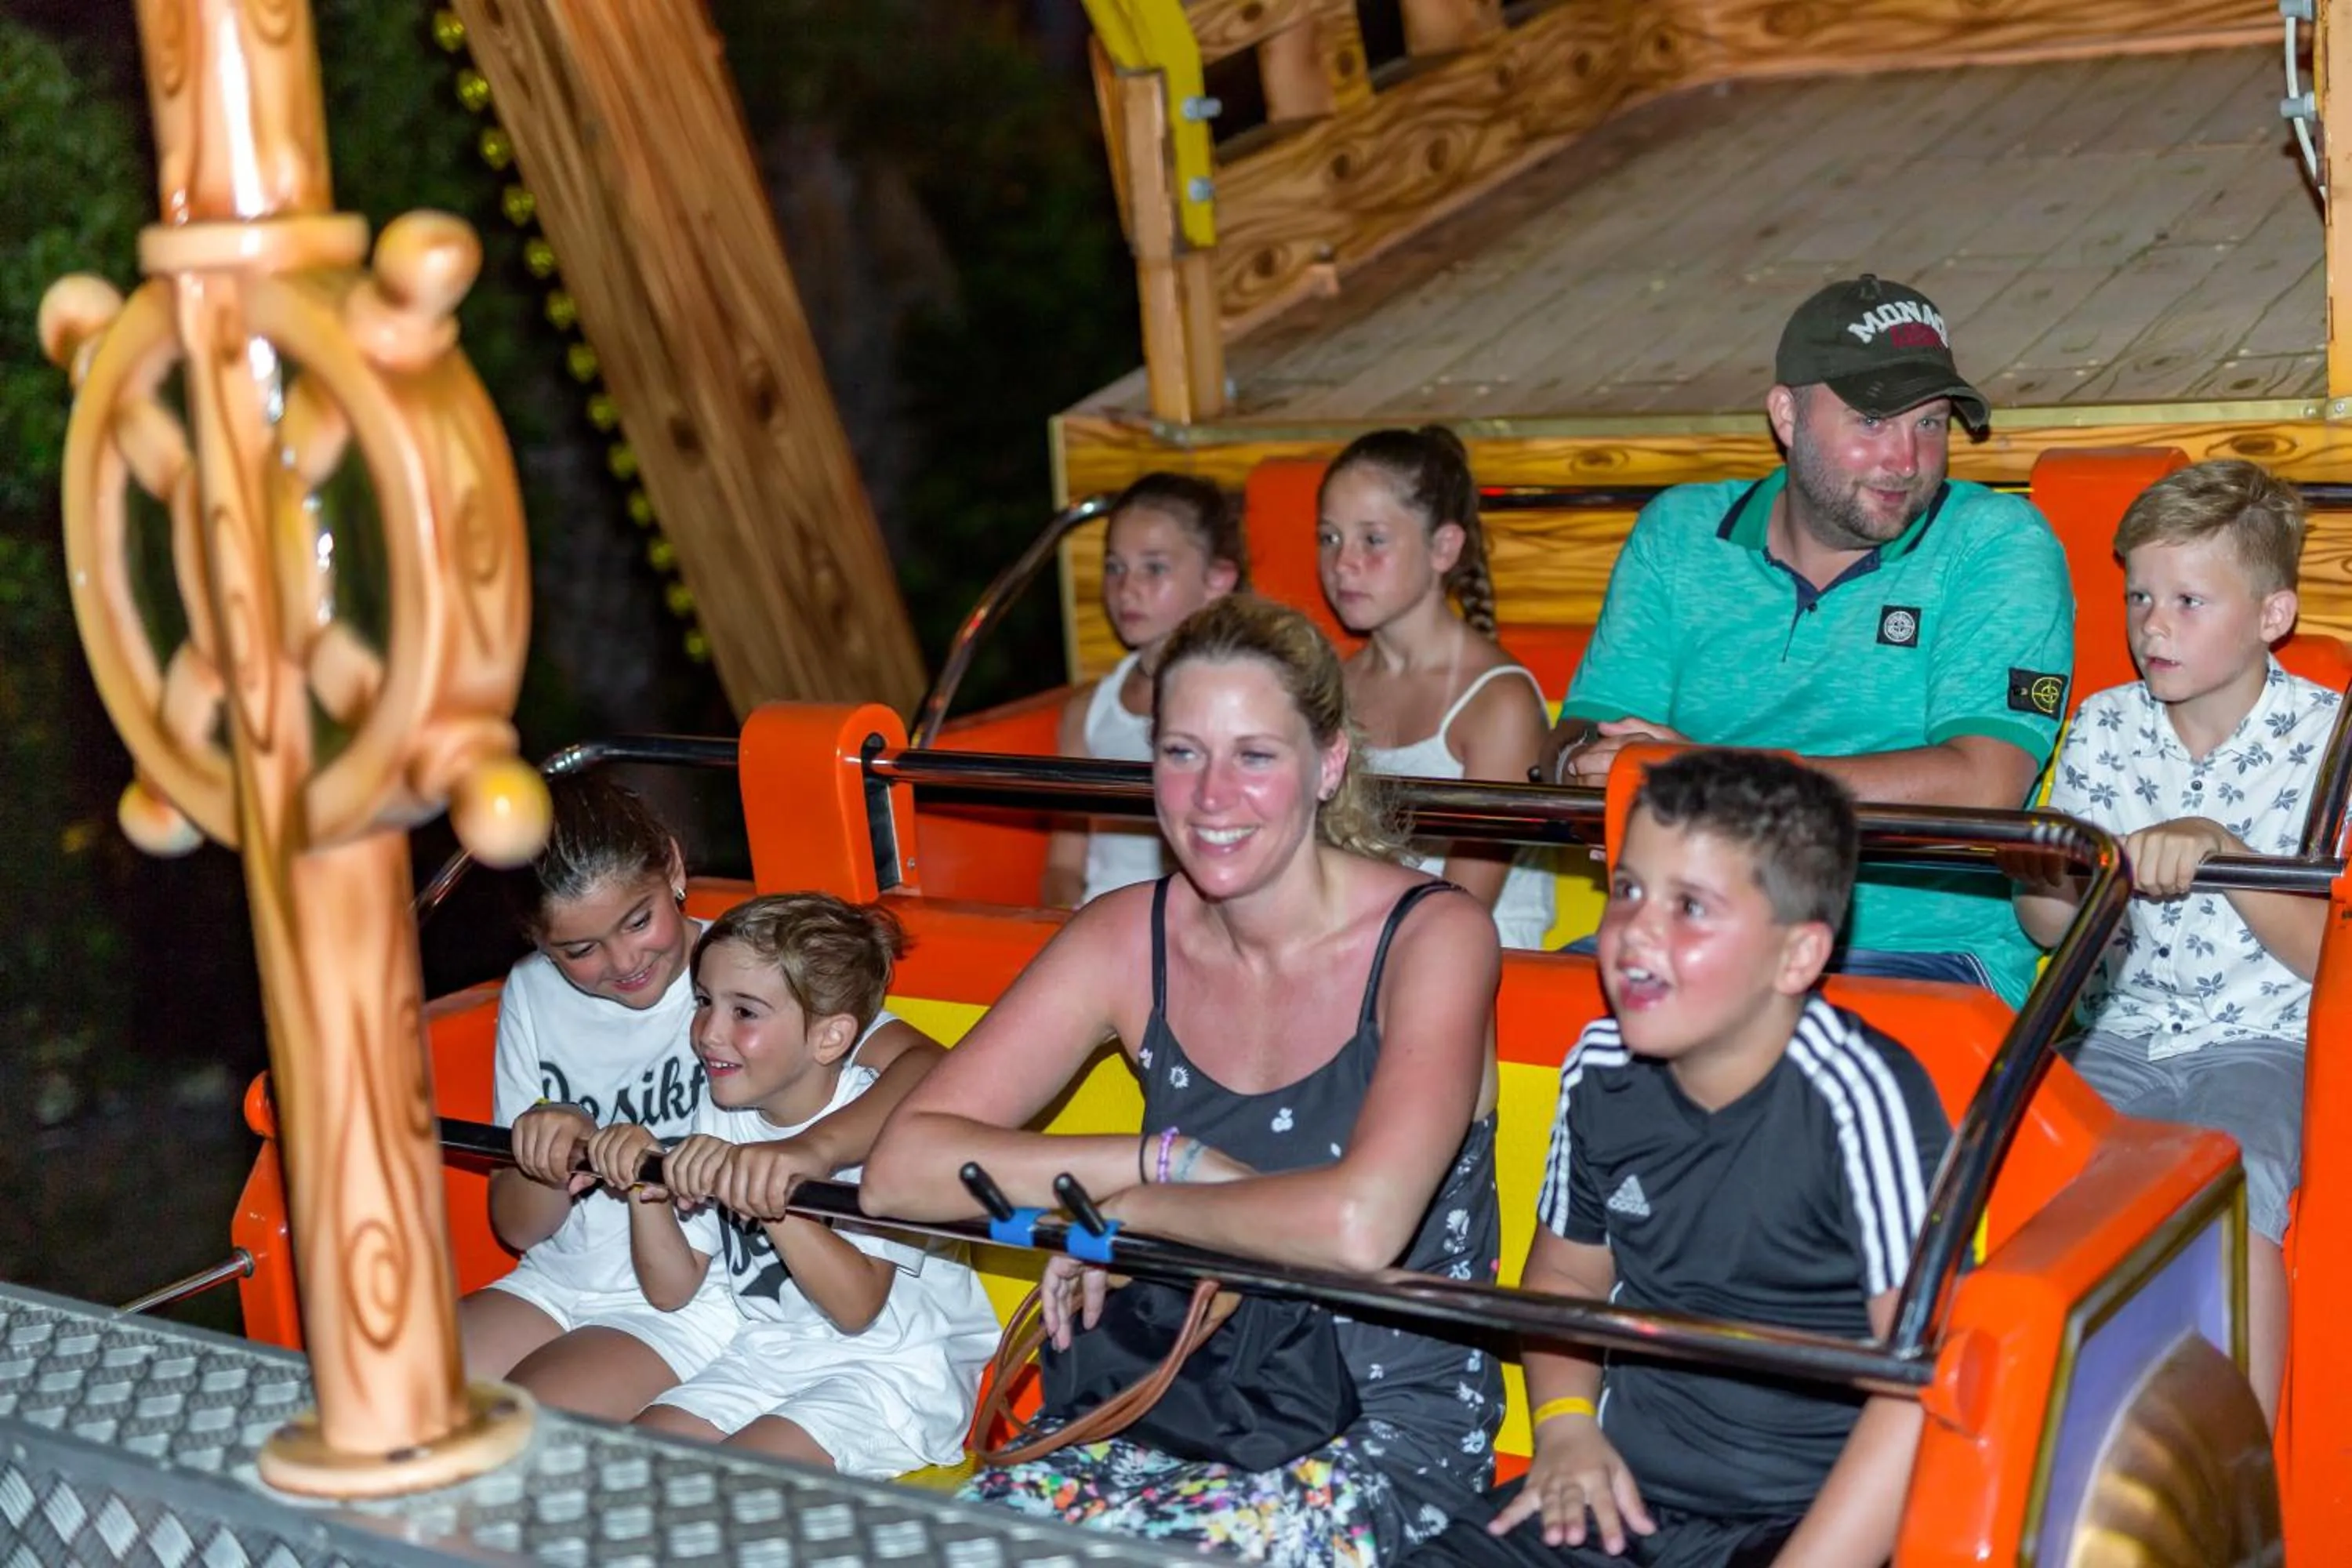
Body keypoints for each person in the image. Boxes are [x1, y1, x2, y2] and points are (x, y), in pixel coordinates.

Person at [866, 593, 1506, 1565]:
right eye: (1182, 752)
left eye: (1255, 754)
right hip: (1183, 1397)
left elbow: (1359, 1228)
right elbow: (901, 1170)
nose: (1212, 795)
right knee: (948, 1541)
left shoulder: (1434, 935)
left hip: (1382, 1426)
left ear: (1327, 763)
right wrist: (1165, 1158)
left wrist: (1138, 1212)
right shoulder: (1127, 936)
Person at [1410, 750, 1951, 1568]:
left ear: (1796, 957)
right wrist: (1564, 1431)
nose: (1634, 933)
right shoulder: (1599, 1063)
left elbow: (1917, 1381)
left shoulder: (1859, 1097)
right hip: (1621, 1495)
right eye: (1627, 889)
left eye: (1691, 905)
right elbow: (1564, 1280)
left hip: (1804, 1521)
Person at [1538, 274, 2074, 1004]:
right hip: (1689, 936)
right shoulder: (1680, 533)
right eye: (1872, 421)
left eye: (1931, 423)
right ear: (1786, 415)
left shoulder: (1995, 544)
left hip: (1921, 958)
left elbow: (1986, 785)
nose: (1907, 460)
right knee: (1459, 984)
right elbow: (1577, 733)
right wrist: (1582, 767)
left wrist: (1717, 780)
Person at [458, 775, 941, 1423]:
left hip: (688, 1296)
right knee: (384, 1394)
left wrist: (809, 1152)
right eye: (578, 950)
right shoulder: (534, 993)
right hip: (554, 1280)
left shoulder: (739, 975)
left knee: (506, 1430)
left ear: (675, 870)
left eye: (639, 920)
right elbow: (517, 1227)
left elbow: (930, 1067)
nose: (624, 959)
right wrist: (554, 1146)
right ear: (539, 943)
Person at [2012, 459, 2332, 1425]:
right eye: (2140, 594)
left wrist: (2225, 855)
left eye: (2189, 599)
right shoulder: (2105, 729)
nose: (2153, 623)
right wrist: (2049, 878)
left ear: (2271, 615)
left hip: (2269, 1039)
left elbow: (2331, 957)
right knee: (2035, 1178)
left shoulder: (2328, 739)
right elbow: (2050, 931)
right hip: (2124, 1032)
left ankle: (2242, 1479)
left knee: (2234, 1187)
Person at [584, 893, 994, 1474]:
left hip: (888, 1371)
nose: (708, 1032)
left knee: (739, 1481)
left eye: (744, 1012)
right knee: (628, 1467)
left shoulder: (885, 1130)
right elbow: (672, 1289)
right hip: (771, 1354)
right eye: (704, 1001)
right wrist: (642, 1185)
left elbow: (856, 1308)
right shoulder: (725, 1103)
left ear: (829, 1038)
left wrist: (778, 1194)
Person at [1320, 427, 1555, 949]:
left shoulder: (1499, 704)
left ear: (1444, 547)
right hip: (1356, 952)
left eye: (1372, 539)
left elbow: (1461, 911)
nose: (1342, 564)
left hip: (1481, 964)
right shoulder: (1329, 685)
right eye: (1329, 537)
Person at [1043, 474, 1247, 909]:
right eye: (1115, 567)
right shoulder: (1088, 712)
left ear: (1217, 579)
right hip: (1097, 927)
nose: (1127, 589)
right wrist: (1063, 929)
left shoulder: (1239, 707)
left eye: (1154, 568)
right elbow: (1063, 865)